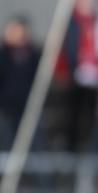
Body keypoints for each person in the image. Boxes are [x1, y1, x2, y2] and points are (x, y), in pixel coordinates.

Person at [54, 0, 98, 153]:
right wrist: (62, 70)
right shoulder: (70, 22)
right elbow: (63, 47)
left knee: (95, 115)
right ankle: (71, 148)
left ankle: (93, 147)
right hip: (76, 75)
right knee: (73, 114)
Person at [0, 15, 40, 151]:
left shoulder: (32, 55)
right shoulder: (4, 54)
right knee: (7, 139)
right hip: (6, 106)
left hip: (26, 103)